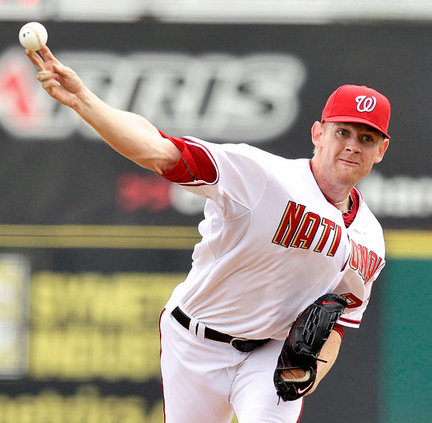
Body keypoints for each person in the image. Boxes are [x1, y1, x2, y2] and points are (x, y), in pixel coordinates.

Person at [26, 46, 390, 423]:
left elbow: (338, 323)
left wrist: (309, 373)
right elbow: (159, 151)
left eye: (366, 138)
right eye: (342, 132)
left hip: (270, 355)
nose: (352, 146)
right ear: (318, 133)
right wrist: (84, 101)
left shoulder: (370, 239)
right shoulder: (262, 177)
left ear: (380, 150)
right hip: (194, 342)